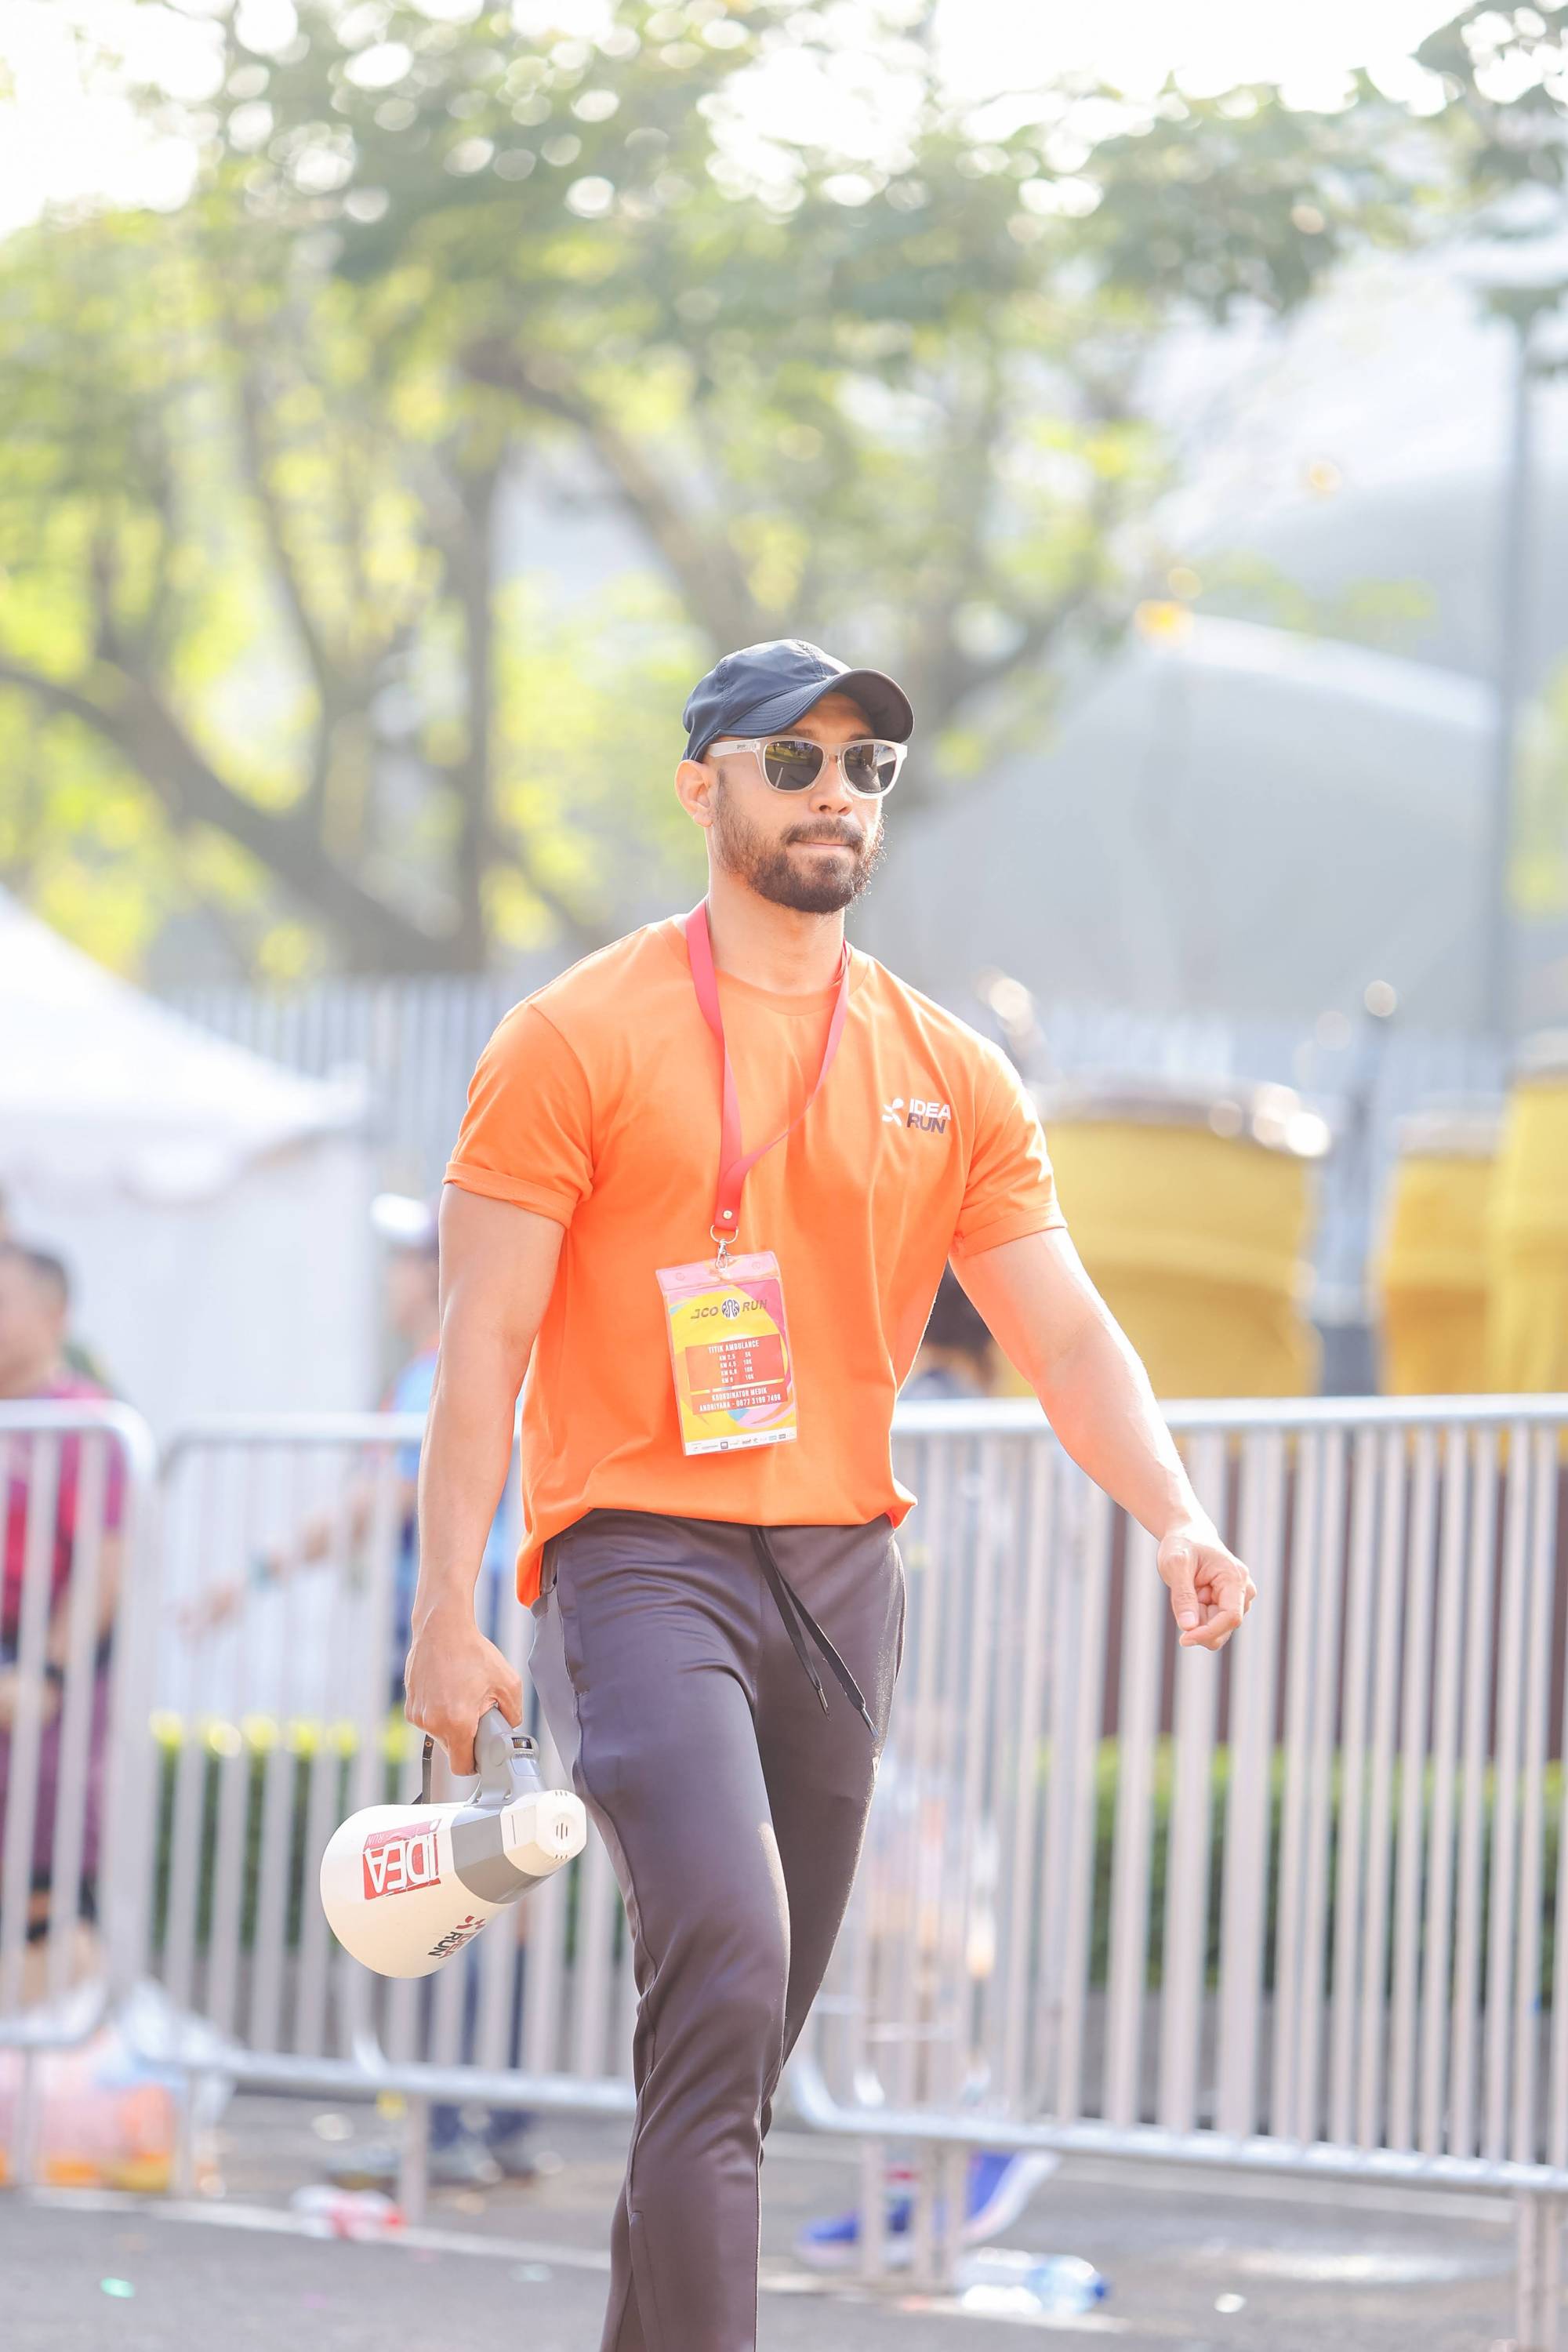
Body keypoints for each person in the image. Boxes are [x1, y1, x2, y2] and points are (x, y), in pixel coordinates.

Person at [405, 637, 1255, 2352]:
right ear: (700, 785)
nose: (834, 793)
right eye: (791, 760)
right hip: (637, 1563)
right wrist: (444, 1611)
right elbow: (481, 1337)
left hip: (844, 1584)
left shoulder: (950, 1069)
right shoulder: (570, 1037)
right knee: (727, 1962)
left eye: (866, 766)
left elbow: (1064, 1332)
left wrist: (1173, 1509)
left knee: (728, 2054)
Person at [0, 1243, 125, 1987]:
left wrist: (44, 1674)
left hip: (48, 1675)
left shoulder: (87, 1422)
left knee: (49, 1890)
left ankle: (55, 2043)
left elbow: (103, 1569)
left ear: (54, 1315)